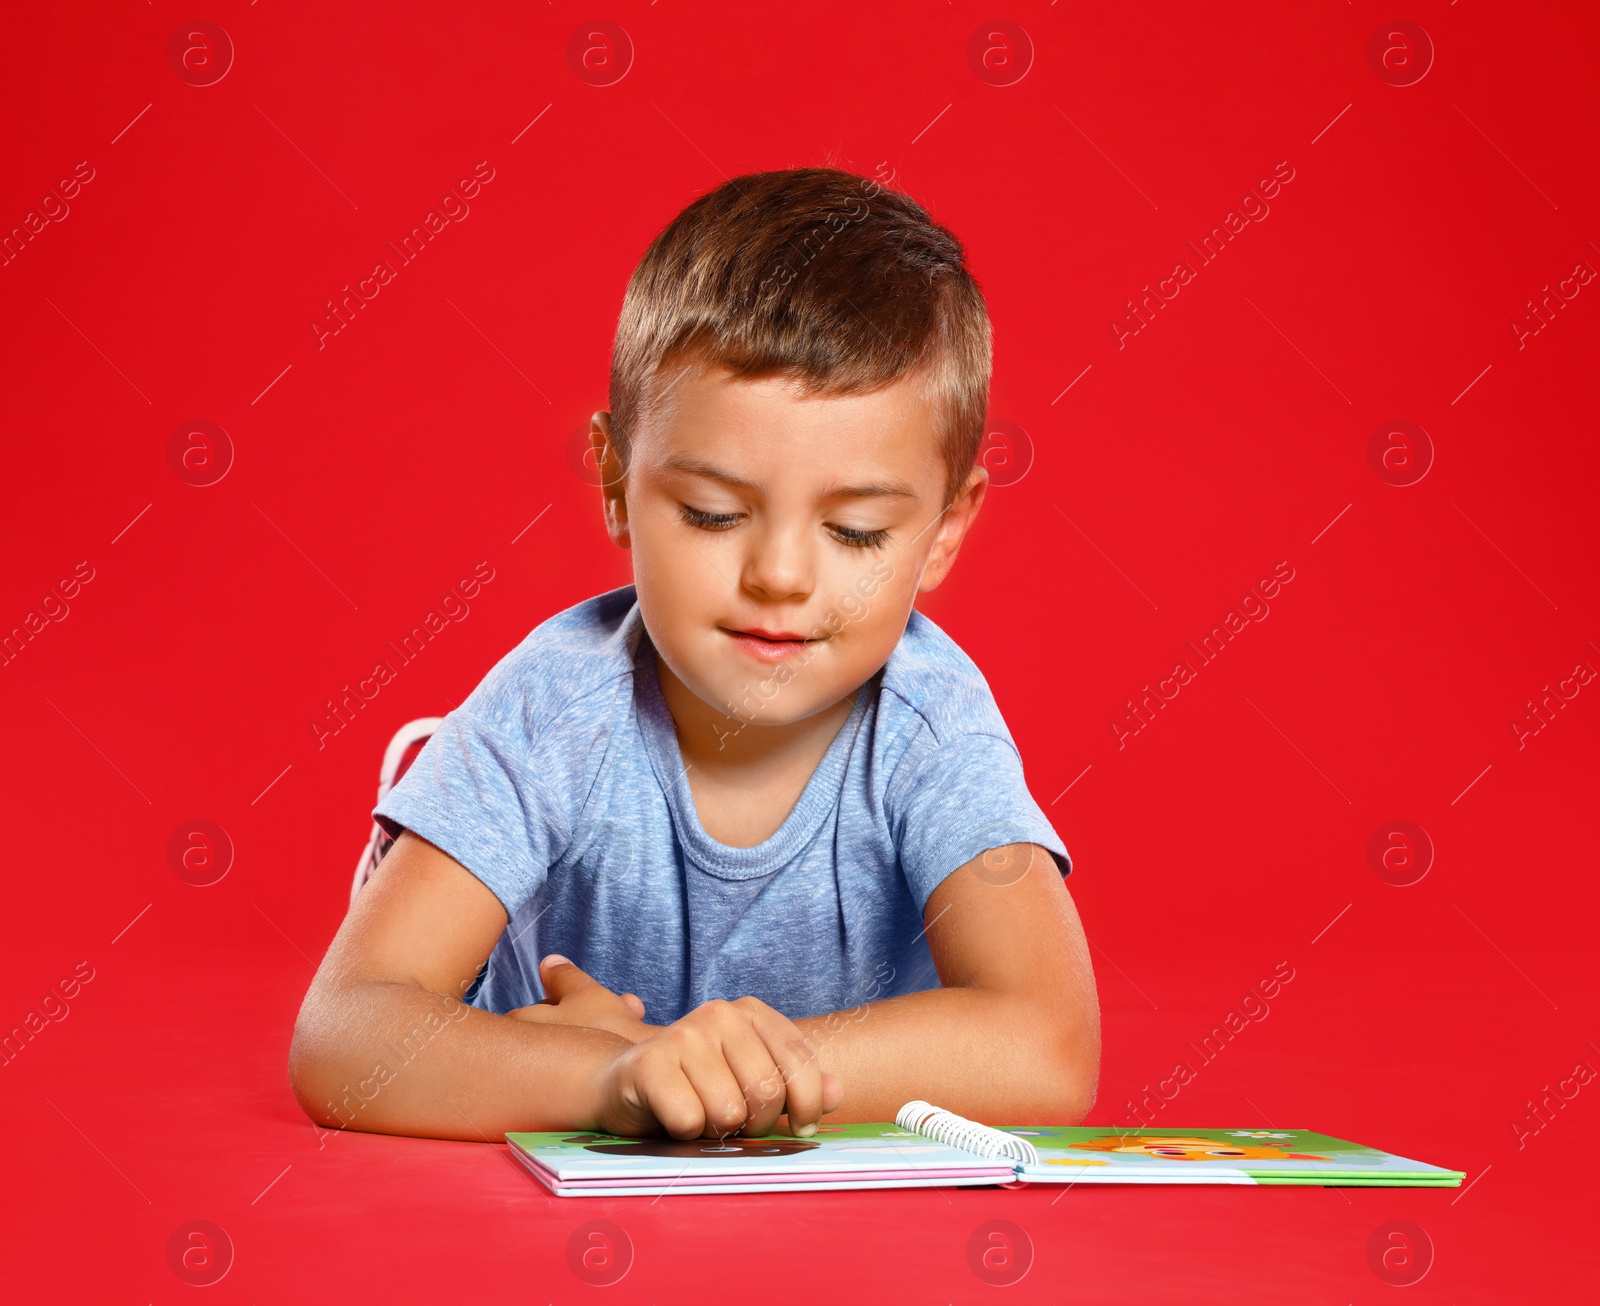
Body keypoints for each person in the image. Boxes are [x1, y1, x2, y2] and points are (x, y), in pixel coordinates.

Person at [289, 166, 1101, 1143]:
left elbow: (1049, 1043)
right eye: (713, 513)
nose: (780, 575)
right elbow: (343, 1034)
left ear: (941, 531)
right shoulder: (554, 707)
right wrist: (616, 1074)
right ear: (617, 484)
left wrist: (716, 1070)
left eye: (853, 532)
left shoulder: (928, 723)